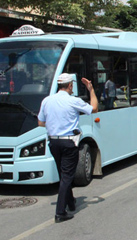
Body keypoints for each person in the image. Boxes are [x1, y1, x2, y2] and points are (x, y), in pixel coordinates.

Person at [37, 73, 99, 223]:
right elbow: (94, 108)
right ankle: (60, 212)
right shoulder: (73, 101)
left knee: (64, 173)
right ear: (70, 86)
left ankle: (71, 203)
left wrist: (55, 124)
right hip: (68, 143)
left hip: (53, 142)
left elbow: (40, 123)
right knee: (66, 176)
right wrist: (91, 90)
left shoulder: (47, 101)